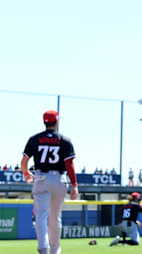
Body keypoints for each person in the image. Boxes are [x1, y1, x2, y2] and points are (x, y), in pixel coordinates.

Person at [21, 109, 79, 254]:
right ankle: (55, 250)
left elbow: (24, 161)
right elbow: (69, 165)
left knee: (41, 215)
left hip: (41, 177)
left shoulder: (35, 139)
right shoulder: (64, 140)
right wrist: (74, 185)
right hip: (59, 178)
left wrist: (26, 172)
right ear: (57, 121)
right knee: (55, 217)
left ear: (44, 122)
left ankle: (43, 248)